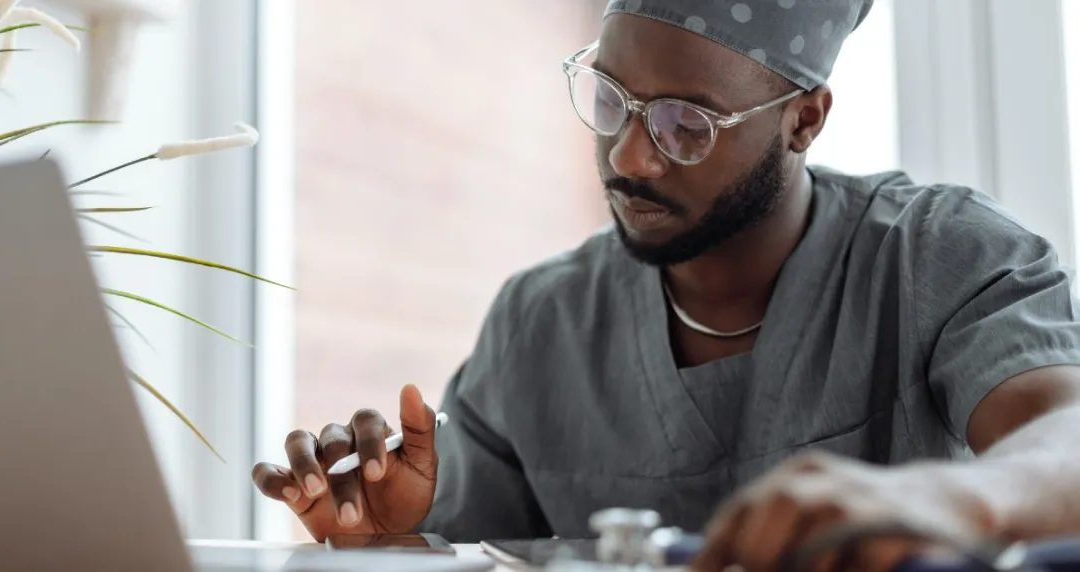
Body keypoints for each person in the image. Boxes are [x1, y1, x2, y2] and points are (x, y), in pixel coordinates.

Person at [253, 0, 1080, 569]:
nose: (629, 158)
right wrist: (398, 526)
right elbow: (476, 524)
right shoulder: (542, 323)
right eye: (611, 101)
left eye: (687, 124)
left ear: (805, 119)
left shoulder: (941, 257)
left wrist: (958, 501)